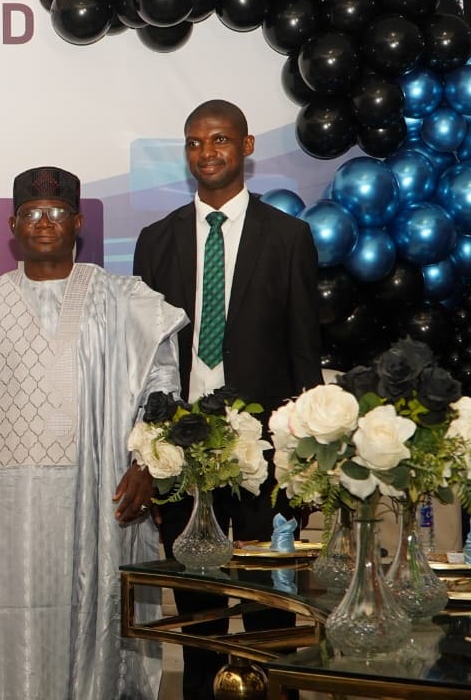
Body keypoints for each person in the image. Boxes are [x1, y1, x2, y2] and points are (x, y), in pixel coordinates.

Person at [0, 166, 185, 700]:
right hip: (5, 510)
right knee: (6, 626)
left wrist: (147, 463)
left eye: (55, 213)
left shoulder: (124, 298)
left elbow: (162, 384)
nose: (43, 223)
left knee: (96, 621)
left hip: (97, 503)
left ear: (77, 222)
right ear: (12, 226)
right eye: (31, 213)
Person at [133, 99, 323, 700]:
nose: (206, 153)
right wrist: (148, 453)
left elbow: (304, 354)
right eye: (194, 142)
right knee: (199, 619)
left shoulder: (288, 237)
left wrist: (302, 460)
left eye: (219, 139)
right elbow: (146, 359)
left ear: (246, 146)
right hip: (183, 455)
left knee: (272, 614)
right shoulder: (156, 240)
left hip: (264, 459)